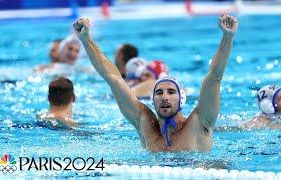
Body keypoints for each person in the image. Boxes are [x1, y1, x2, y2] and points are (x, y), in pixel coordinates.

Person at [73, 14, 238, 152]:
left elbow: (215, 77)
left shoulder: (199, 122)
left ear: (182, 99)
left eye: (171, 92)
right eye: (159, 93)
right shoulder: (145, 123)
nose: (164, 97)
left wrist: (228, 37)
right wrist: (86, 41)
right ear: (153, 99)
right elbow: (113, 78)